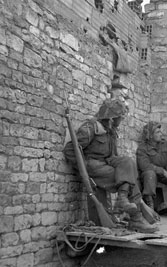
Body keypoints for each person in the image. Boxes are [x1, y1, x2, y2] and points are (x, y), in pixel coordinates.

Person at [63, 99, 157, 233]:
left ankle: (123, 199)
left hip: (106, 164)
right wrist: (84, 168)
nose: (122, 120)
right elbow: (70, 150)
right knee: (126, 177)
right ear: (112, 118)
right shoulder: (90, 128)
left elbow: (113, 156)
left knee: (128, 163)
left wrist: (123, 163)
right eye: (120, 117)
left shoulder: (110, 131)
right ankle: (136, 218)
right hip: (93, 167)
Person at [136, 121, 167, 215]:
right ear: (150, 135)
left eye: (160, 132)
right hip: (151, 176)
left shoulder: (164, 144)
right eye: (157, 132)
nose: (161, 134)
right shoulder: (142, 148)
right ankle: (149, 204)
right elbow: (144, 166)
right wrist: (162, 171)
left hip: (164, 174)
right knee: (149, 174)